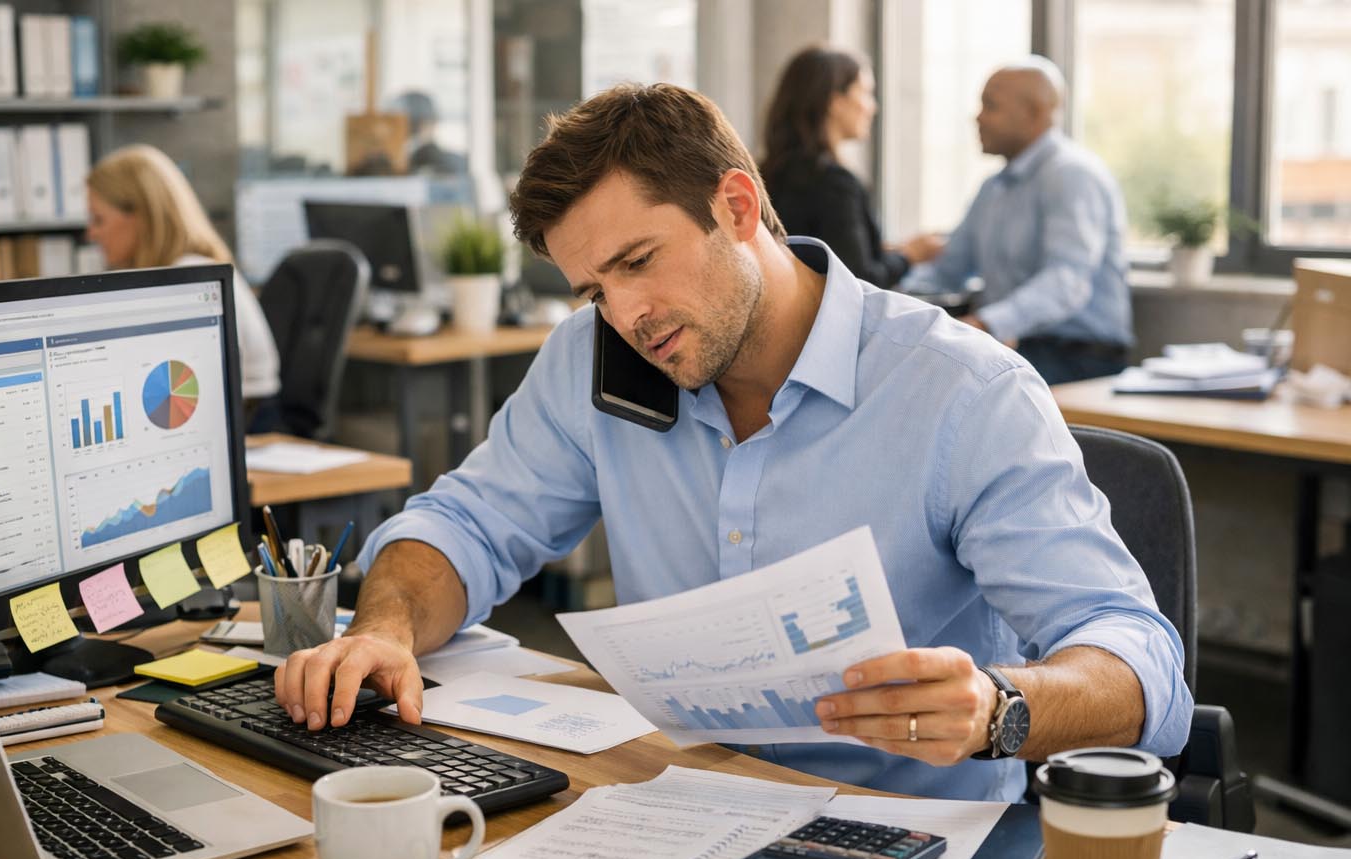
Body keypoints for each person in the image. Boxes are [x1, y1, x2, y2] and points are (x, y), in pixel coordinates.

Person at [274, 83, 1192, 803]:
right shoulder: (589, 362)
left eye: (638, 262)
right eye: (595, 290)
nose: (626, 316)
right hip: (674, 809)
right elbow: (466, 524)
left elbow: (1138, 660)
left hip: (911, 836)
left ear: (739, 206)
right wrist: (386, 629)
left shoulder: (963, 391)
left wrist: (1001, 707)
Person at [902, 57, 1133, 386]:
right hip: (1014, 345)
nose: (977, 116)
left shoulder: (1072, 175)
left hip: (1079, 358)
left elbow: (1067, 281)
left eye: (990, 105)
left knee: (939, 384)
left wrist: (985, 324)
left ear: (1036, 114)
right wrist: (881, 291)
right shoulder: (993, 188)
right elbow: (948, 270)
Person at [86, 145, 281, 411]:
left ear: (142, 217)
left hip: (248, 417)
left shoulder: (189, 277)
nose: (91, 234)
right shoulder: (176, 271)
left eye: (99, 219)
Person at [761, 47, 941, 288]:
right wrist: (909, 255)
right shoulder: (833, 184)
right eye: (865, 93)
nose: (872, 107)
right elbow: (858, 280)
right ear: (835, 102)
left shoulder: (769, 172)